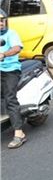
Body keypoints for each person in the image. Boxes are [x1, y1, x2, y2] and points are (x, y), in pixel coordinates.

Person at [0, 9, 27, 148]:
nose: (1, 24)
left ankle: (19, 133)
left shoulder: (11, 34)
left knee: (10, 98)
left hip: (10, 70)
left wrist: (4, 54)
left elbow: (17, 48)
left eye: (2, 21)